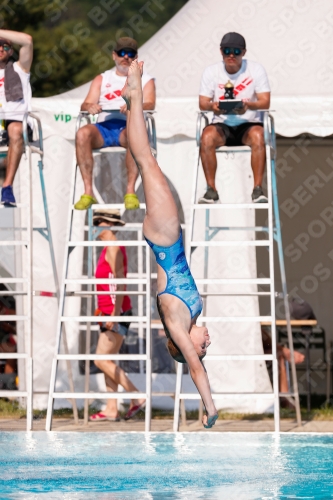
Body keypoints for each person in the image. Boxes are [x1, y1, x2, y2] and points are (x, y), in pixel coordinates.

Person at [121, 60, 217, 429]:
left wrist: (210, 409)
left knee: (147, 161)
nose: (206, 341)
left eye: (202, 345)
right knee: (148, 162)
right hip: (168, 237)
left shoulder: (177, 325)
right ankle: (133, 99)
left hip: (164, 237)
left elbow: (195, 366)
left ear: (183, 345)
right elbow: (194, 357)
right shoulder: (187, 318)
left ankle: (134, 89)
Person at [74, 37, 155, 211]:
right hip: (103, 128)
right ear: (114, 56)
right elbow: (85, 104)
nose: (126, 57)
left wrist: (134, 104)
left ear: (136, 57)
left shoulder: (146, 79)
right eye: (122, 53)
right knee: (82, 134)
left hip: (128, 127)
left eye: (130, 54)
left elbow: (150, 104)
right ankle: (88, 192)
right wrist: (91, 106)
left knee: (132, 135)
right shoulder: (102, 78)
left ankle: (130, 191)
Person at [198, 32, 270, 204]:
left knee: (259, 135)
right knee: (206, 137)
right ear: (221, 51)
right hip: (222, 125)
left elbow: (265, 101)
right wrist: (213, 106)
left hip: (248, 124)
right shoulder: (211, 71)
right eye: (227, 51)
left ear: (244, 53)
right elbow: (202, 103)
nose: (231, 55)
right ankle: (211, 189)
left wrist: (247, 106)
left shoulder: (255, 69)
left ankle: (258, 189)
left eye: (236, 51)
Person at [89, 208, 146, 421]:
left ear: (108, 224)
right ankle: (111, 408)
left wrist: (114, 314)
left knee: (100, 360)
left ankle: (136, 396)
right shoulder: (107, 248)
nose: (94, 226)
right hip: (108, 311)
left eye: (98, 222)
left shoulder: (113, 248)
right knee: (107, 360)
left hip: (116, 312)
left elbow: (120, 284)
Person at [0, 29, 33, 207]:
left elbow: (27, 40)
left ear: (11, 51)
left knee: (15, 130)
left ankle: (7, 186)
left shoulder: (19, 69)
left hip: (15, 121)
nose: (0, 49)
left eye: (4, 46)